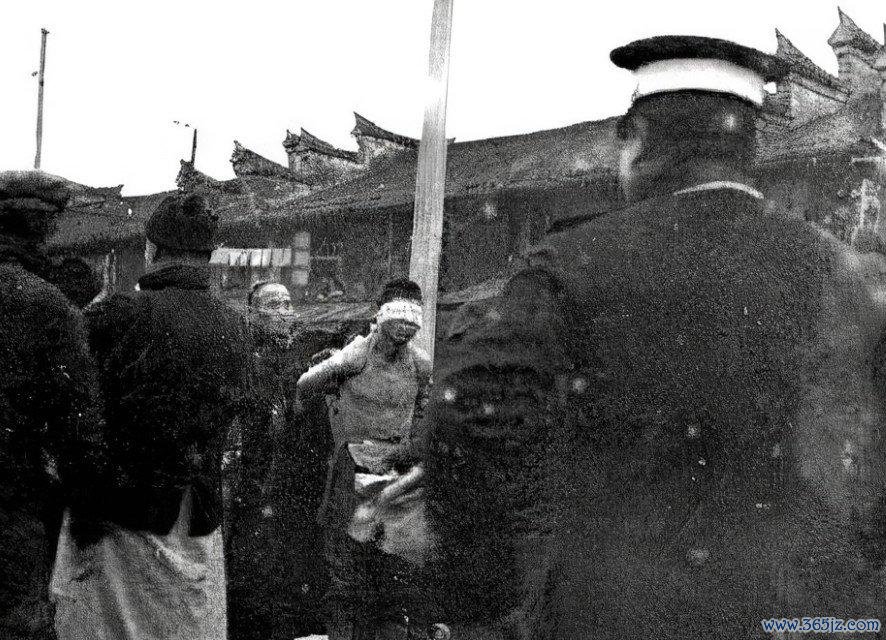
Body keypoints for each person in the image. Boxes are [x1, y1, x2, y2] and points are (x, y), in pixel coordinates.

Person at [428, 35, 886, 639]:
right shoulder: (852, 278)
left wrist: (490, 597)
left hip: (622, 612)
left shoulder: (572, 264)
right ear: (752, 145)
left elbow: (468, 415)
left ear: (635, 140)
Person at [51, 193, 249, 640]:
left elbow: (74, 407)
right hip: (196, 516)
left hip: (121, 517)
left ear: (151, 249)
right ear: (210, 254)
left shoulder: (119, 313)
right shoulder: (235, 324)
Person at [296, 278, 434, 640]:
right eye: (398, 315)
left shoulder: (419, 364)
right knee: (345, 570)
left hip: (395, 470)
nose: (405, 326)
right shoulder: (356, 355)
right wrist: (335, 393)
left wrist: (409, 449)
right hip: (351, 466)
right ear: (381, 315)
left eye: (412, 317)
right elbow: (305, 386)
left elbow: (424, 412)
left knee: (394, 571)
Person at [0, 170, 104, 640]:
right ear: (44, 227)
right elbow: (77, 423)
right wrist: (88, 515)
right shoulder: (47, 306)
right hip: (12, 506)